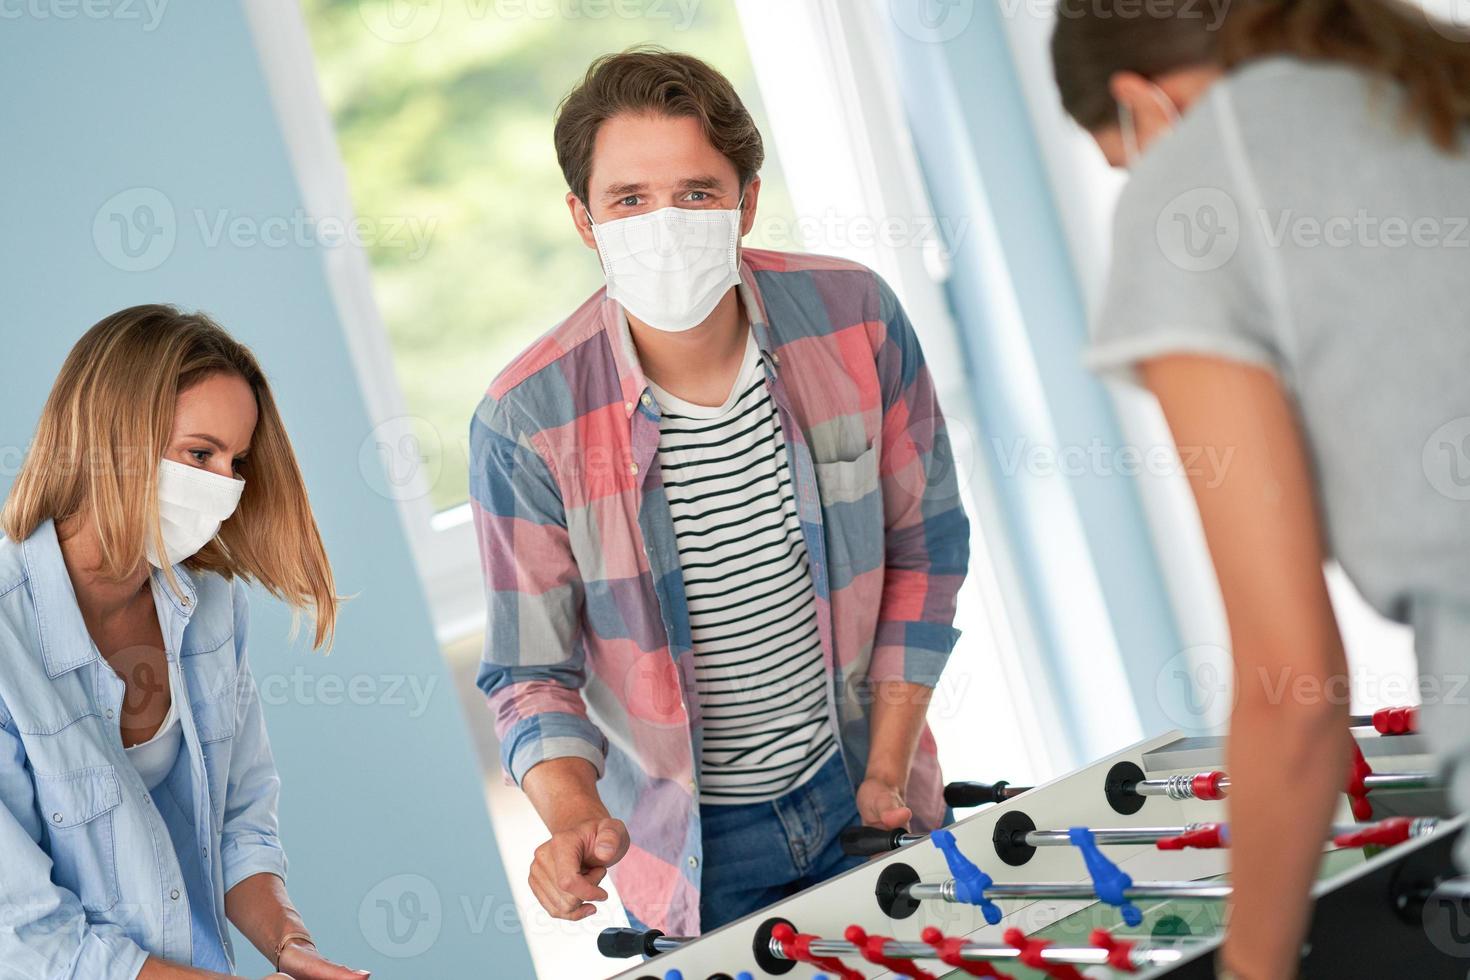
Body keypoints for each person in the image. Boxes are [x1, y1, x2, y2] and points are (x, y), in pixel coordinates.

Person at [470, 47, 970, 936]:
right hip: (695, 851)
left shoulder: (856, 316)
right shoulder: (526, 421)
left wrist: (887, 771)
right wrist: (575, 821)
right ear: (585, 220)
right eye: (630, 200)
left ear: (746, 200)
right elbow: (531, 676)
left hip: (864, 781)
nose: (664, 223)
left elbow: (926, 551)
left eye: (697, 192)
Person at [1051, 1, 1470, 976]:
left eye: (1125, 159)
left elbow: (1294, 687)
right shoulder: (1437, 85)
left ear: (1140, 102)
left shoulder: (1193, 189)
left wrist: (1250, 967)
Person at [0, 305, 368, 979]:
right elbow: (24, 936)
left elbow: (239, 824)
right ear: (110, 437)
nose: (223, 487)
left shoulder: (210, 607)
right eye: (199, 454)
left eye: (236, 462)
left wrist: (294, 949)